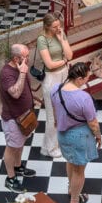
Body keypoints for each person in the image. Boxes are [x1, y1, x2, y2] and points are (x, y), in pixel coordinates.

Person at [52, 61, 102, 203]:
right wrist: (99, 136)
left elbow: (55, 110)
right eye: (87, 77)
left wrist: (57, 122)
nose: (87, 80)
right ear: (79, 79)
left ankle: (70, 188)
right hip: (80, 137)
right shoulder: (83, 97)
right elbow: (93, 122)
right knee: (79, 170)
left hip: (62, 134)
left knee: (70, 161)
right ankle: (75, 199)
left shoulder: (55, 89)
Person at [0, 43, 38, 192]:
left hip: (25, 116)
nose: (27, 59)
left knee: (20, 144)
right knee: (12, 147)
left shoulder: (21, 67)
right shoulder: (7, 74)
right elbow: (15, 93)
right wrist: (22, 74)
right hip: (13, 119)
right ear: (15, 58)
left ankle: (18, 166)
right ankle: (10, 178)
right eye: (25, 57)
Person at [37, 12, 73, 159]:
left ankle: (48, 147)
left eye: (59, 25)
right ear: (46, 26)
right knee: (52, 116)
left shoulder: (60, 34)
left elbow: (70, 55)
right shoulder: (42, 39)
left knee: (62, 112)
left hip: (64, 75)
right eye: (54, 27)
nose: (58, 28)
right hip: (51, 78)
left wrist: (61, 38)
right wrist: (64, 61)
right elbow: (50, 64)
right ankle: (51, 149)